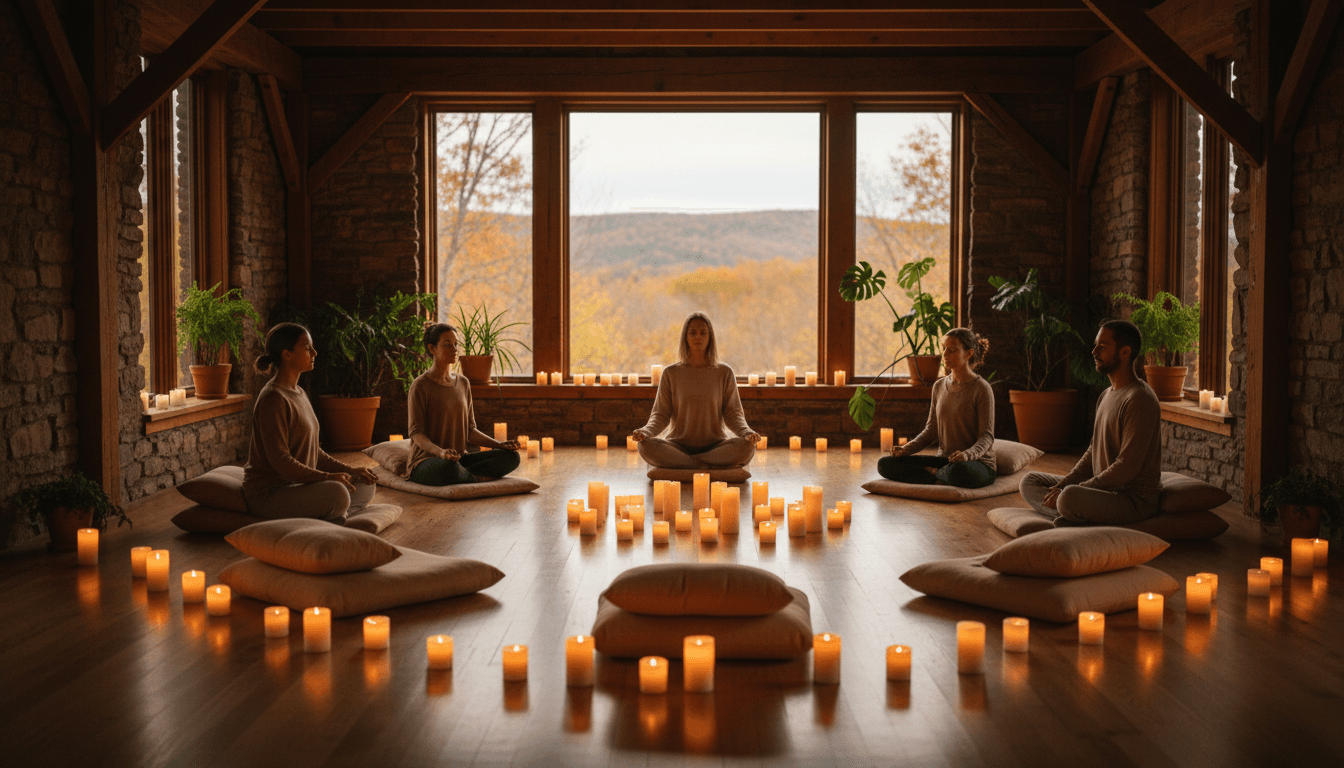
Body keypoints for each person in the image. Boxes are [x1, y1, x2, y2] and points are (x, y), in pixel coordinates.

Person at [1019, 319, 1163, 525]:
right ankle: (1069, 515)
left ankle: (1071, 513)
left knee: (1069, 498)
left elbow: (1126, 467)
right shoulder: (1106, 395)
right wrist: (1063, 484)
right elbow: (1092, 450)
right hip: (1101, 491)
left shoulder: (1140, 399)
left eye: (1102, 347)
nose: (1094, 351)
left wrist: (1077, 490)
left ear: (1125, 352)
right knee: (1030, 481)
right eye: (1096, 345)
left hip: (1131, 500)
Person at [242, 322, 384, 522]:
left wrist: (349, 470)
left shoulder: (299, 392)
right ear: (287, 354)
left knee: (365, 481)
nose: (315, 353)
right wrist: (327, 478)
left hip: (302, 486)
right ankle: (333, 515)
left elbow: (314, 452)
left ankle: (333, 515)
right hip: (272, 493)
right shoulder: (273, 399)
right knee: (337, 493)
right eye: (307, 348)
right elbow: (281, 461)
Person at [632, 312, 760, 469]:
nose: (698, 337)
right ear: (685, 337)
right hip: (677, 446)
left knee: (747, 447)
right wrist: (646, 431)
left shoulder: (724, 372)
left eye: (703, 333)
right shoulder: (671, 373)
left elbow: (733, 413)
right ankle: (703, 464)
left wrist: (746, 432)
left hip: (716, 447)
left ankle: (687, 463)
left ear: (710, 337)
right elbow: (661, 414)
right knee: (644, 446)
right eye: (692, 332)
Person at [877, 328, 997, 488]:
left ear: (968, 353)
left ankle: (931, 474)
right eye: (944, 349)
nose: (945, 355)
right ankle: (938, 475)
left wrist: (967, 455)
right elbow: (931, 430)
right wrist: (906, 449)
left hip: (976, 464)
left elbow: (986, 437)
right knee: (885, 464)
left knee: (959, 473)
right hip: (944, 461)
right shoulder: (939, 386)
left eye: (952, 350)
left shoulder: (982, 388)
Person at [405, 323, 521, 485]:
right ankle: (475, 477)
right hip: (428, 462)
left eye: (455, 344)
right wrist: (441, 453)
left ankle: (465, 476)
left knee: (511, 457)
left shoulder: (463, 383)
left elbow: (470, 431)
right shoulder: (420, 386)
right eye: (447, 345)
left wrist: (500, 445)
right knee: (447, 469)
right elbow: (416, 434)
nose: (454, 349)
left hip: (460, 459)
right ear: (432, 349)